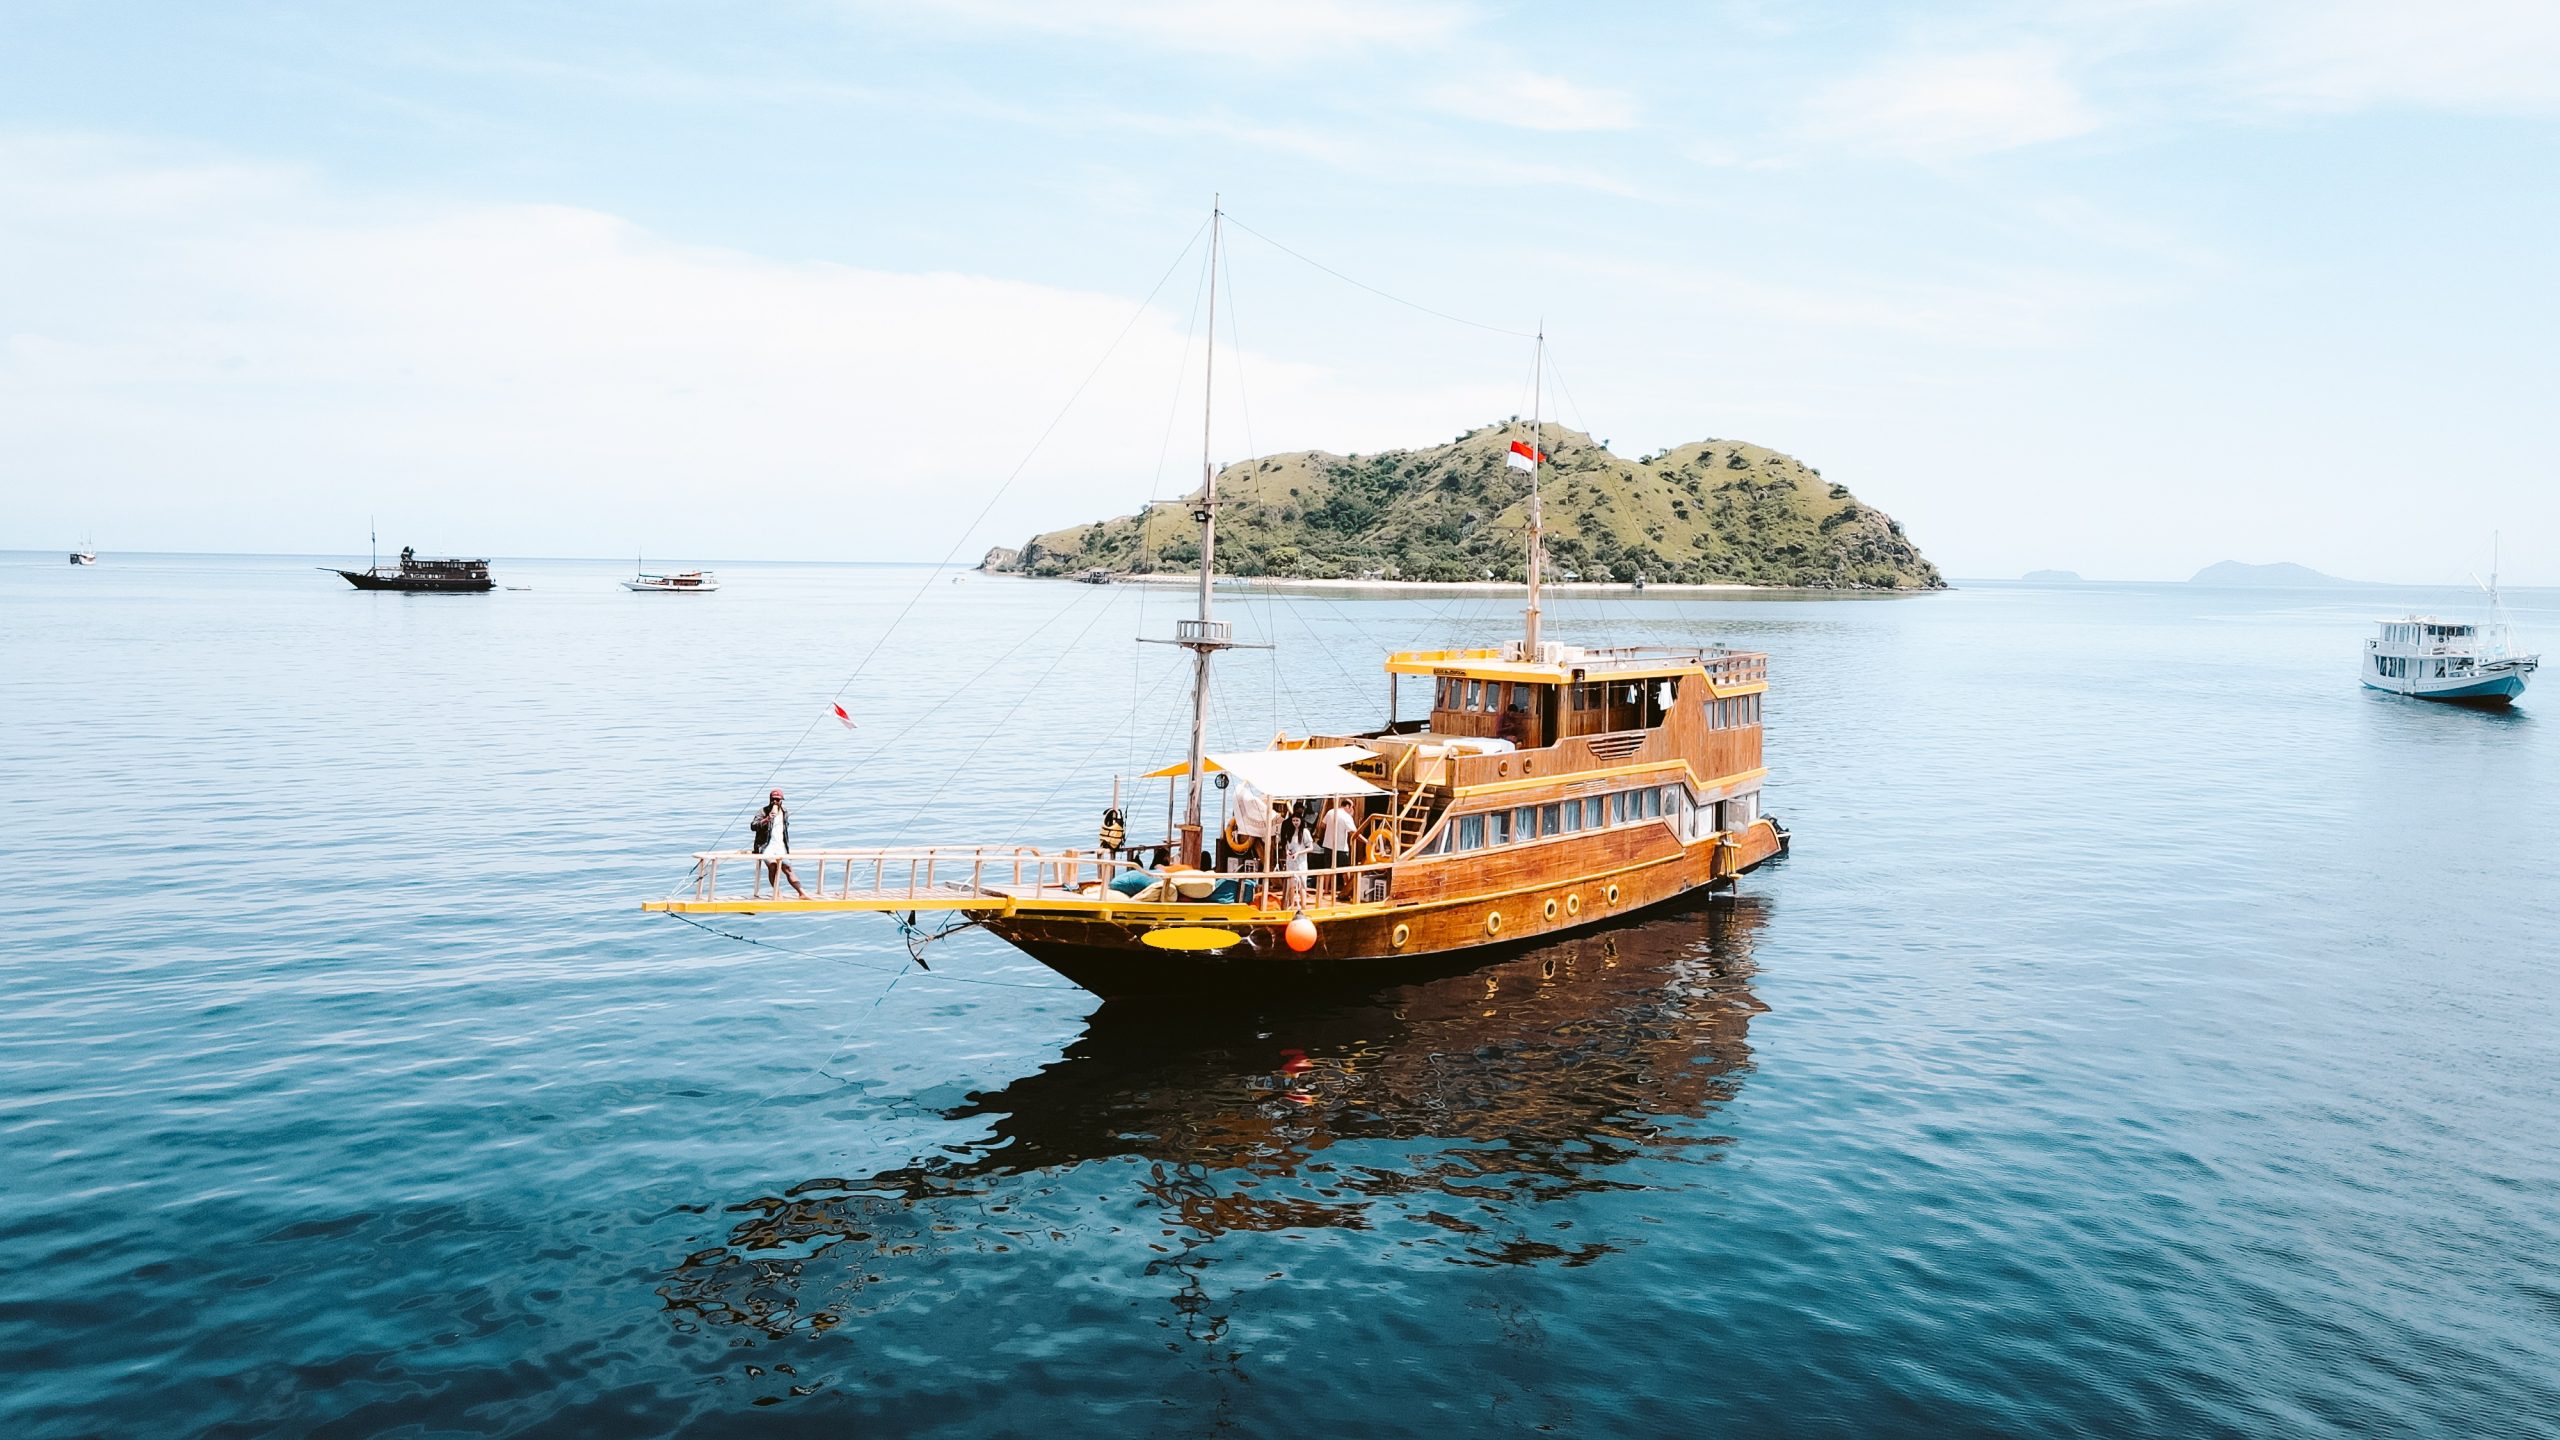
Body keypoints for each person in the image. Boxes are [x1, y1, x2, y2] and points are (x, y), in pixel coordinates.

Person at [750, 788, 809, 899]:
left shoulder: (785, 812)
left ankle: (802, 893)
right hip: (766, 846)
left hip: (780, 846)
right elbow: (753, 826)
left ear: (781, 800)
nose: (775, 802)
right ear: (770, 799)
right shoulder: (763, 811)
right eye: (773, 799)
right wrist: (767, 819)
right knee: (773, 866)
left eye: (778, 800)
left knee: (787, 868)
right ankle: (777, 893)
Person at [1319, 795, 1359, 901]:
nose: (1352, 809)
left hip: (1328, 844)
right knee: (1344, 869)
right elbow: (1354, 833)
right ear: (1347, 806)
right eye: (1352, 807)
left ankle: (1326, 889)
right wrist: (1367, 842)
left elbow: (1322, 825)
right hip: (1341, 846)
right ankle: (1347, 889)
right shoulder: (1346, 817)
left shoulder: (1330, 812)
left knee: (1328, 868)